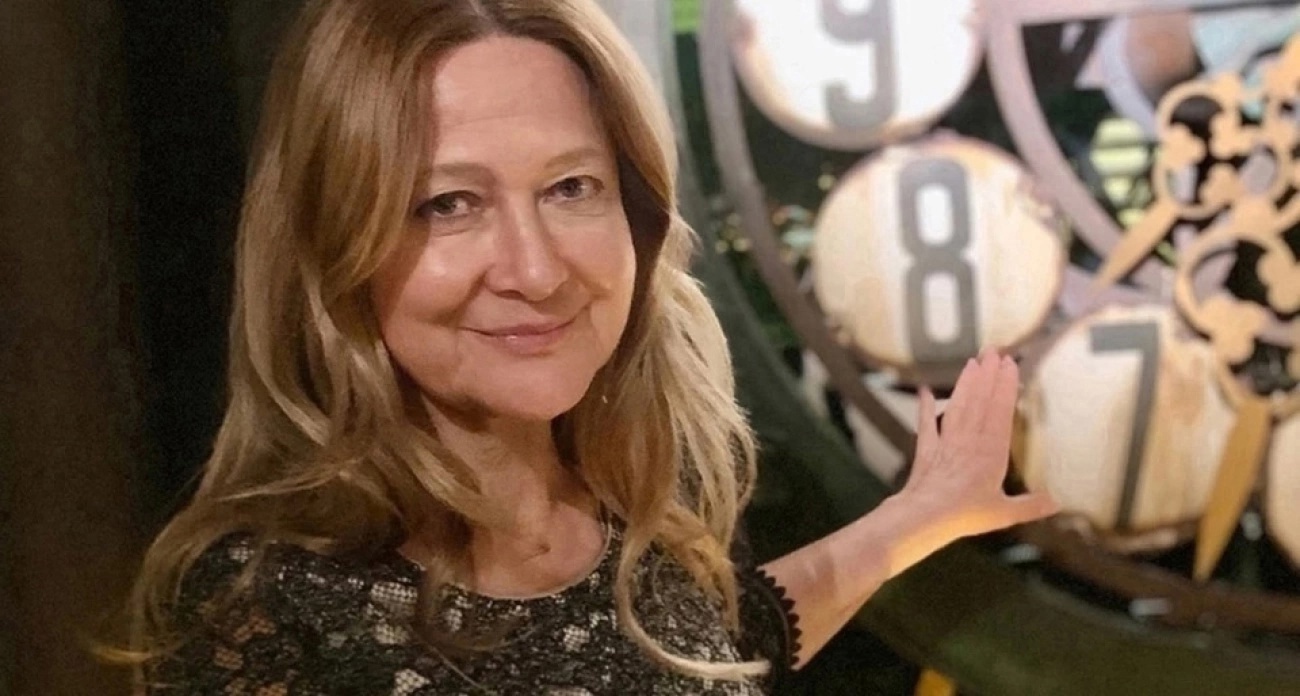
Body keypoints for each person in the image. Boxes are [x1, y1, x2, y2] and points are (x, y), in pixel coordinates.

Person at [120, 0, 1059, 693]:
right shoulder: (264, 605)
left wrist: (923, 514)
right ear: (336, 247)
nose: (535, 269)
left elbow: (723, 646)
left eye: (571, 188)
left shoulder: (627, 513)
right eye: (449, 204)